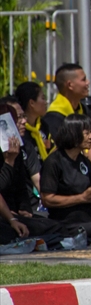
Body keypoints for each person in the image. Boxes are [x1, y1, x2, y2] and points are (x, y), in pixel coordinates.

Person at [0, 102, 72, 243]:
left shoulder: (20, 149)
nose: (23, 123)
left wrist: (24, 209)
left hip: (12, 213)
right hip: (5, 214)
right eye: (17, 119)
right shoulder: (10, 154)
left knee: (55, 226)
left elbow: (21, 186)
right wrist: (8, 162)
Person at [42, 63, 90, 143]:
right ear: (70, 85)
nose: (88, 83)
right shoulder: (53, 118)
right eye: (83, 80)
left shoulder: (83, 109)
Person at [15, 81, 50, 159]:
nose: (46, 102)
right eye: (43, 98)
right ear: (32, 103)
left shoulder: (43, 125)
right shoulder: (20, 130)